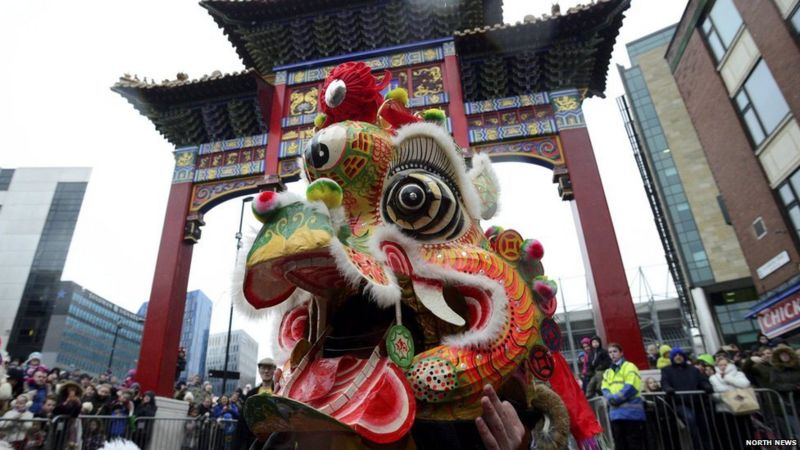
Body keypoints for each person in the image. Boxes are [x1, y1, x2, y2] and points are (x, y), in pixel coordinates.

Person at [660, 347, 713, 450]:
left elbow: (702, 380)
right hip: (680, 403)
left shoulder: (693, 369)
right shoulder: (667, 370)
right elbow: (664, 382)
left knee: (704, 427)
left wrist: (706, 386)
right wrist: (668, 389)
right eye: (675, 355)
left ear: (684, 356)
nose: (678, 357)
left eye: (680, 355)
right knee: (691, 420)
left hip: (698, 403)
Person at [600, 343, 645, 450]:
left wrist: (614, 399)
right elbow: (604, 388)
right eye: (610, 352)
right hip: (616, 414)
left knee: (634, 443)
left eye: (615, 351)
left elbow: (631, 386)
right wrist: (610, 398)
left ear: (621, 353)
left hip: (631, 414)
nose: (612, 354)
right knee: (620, 443)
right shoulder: (608, 372)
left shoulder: (629, 366)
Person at [236, 357, 276, 449]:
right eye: (263, 368)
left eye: (269, 368)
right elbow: (243, 419)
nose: (266, 371)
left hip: (274, 440)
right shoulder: (251, 394)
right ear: (259, 370)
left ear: (274, 370)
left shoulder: (280, 391)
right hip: (253, 440)